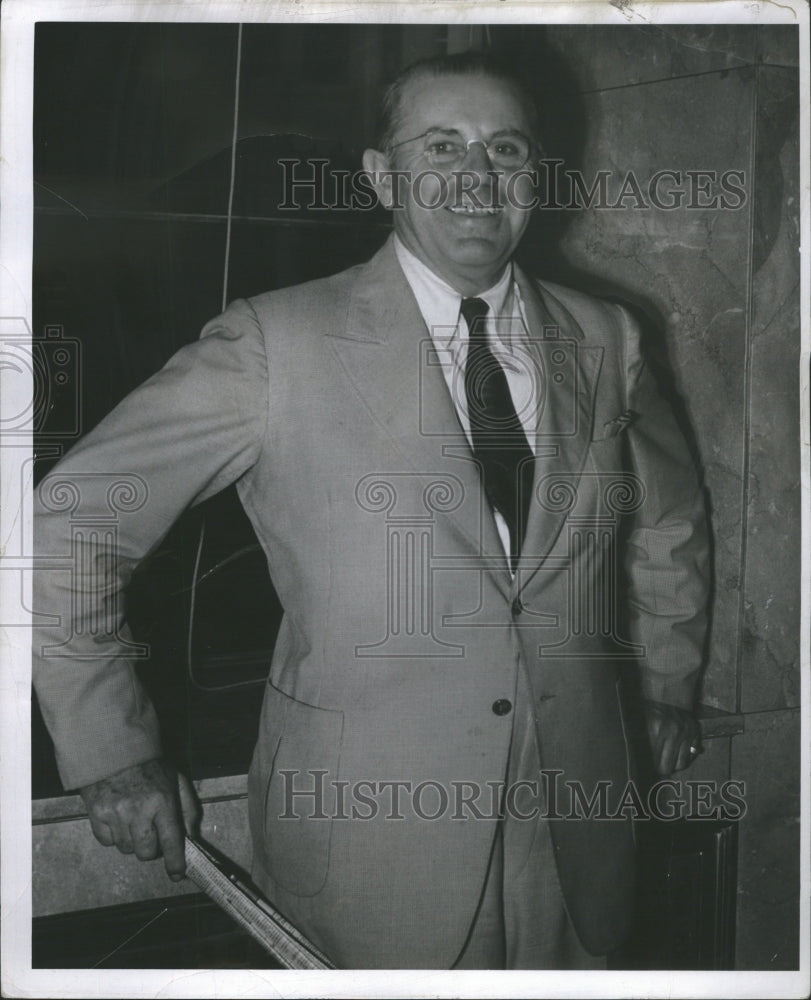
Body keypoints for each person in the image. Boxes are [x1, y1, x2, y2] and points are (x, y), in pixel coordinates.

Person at [32, 52, 709, 969]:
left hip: (578, 833)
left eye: (504, 148)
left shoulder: (607, 335)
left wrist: (666, 680)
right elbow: (66, 524)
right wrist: (110, 749)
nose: (476, 177)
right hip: (367, 841)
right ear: (380, 176)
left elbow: (666, 520)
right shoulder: (274, 343)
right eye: (441, 146)